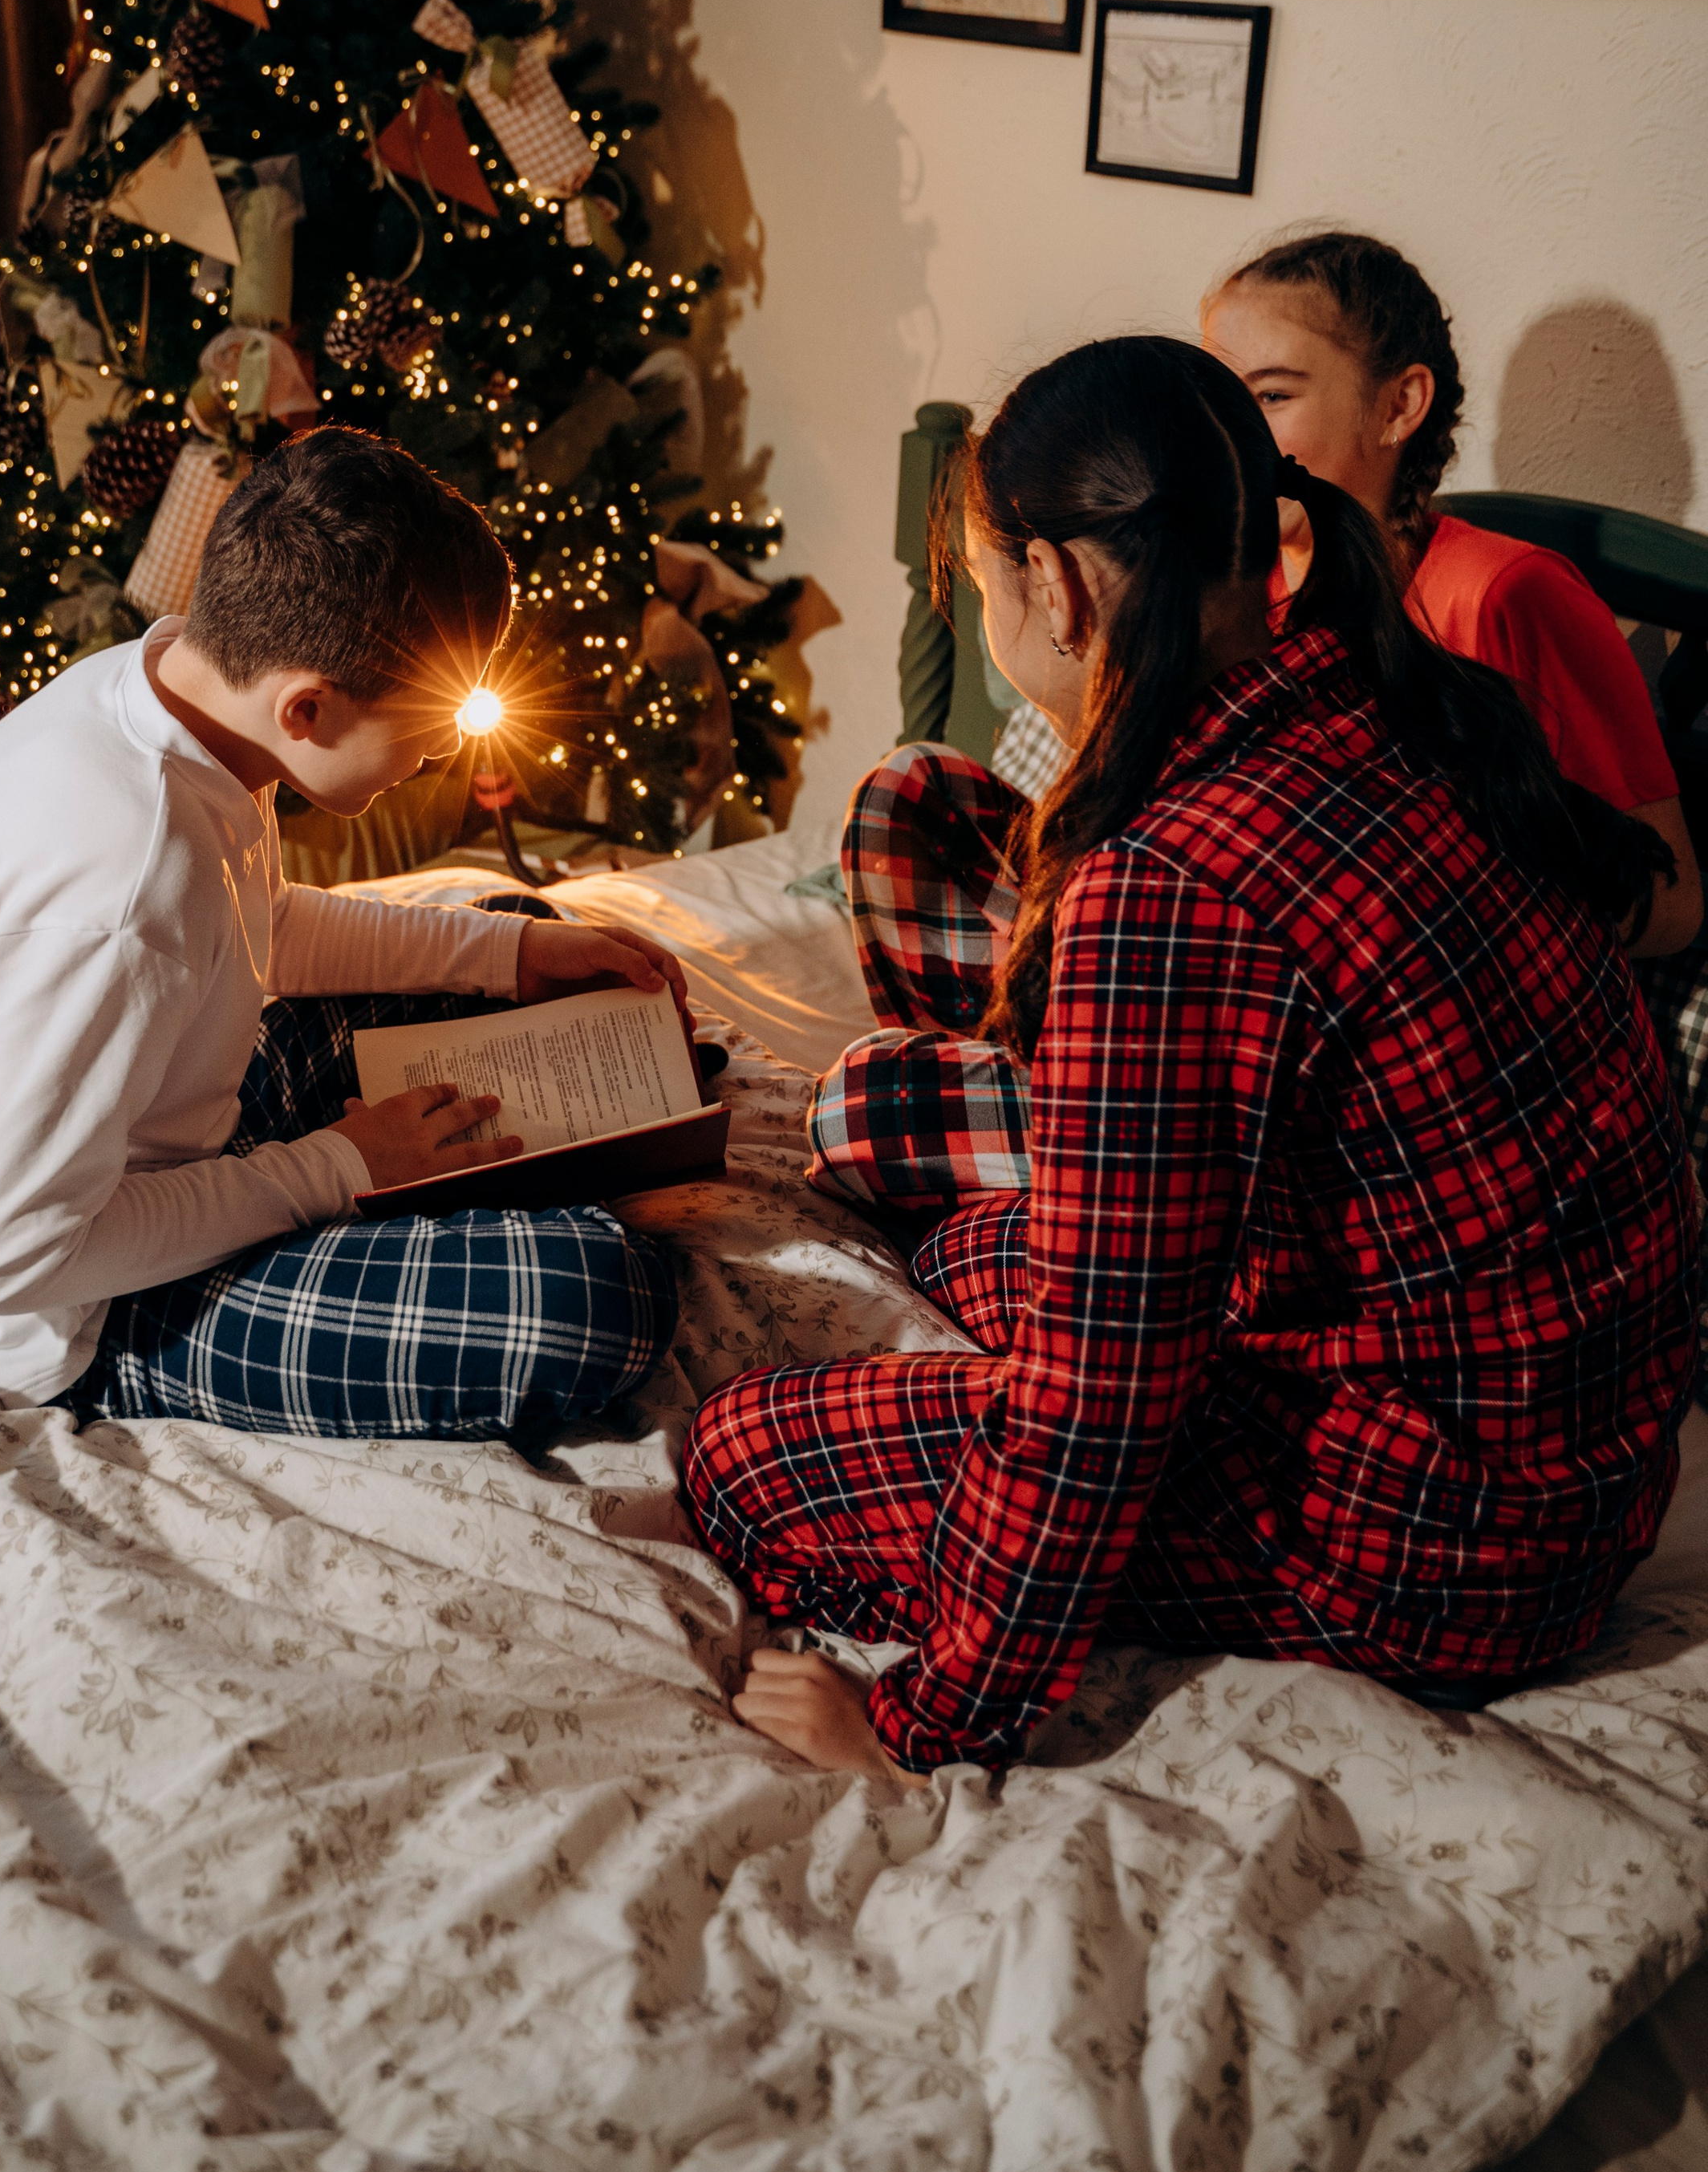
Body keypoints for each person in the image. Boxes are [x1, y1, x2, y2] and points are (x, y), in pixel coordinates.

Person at [684, 337, 1698, 1784]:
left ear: (1061, 584)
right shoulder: (1395, 699)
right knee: (983, 1247)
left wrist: (919, 1721)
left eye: (986, 592)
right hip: (1581, 1465)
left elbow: (1099, 1400)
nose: (995, 627)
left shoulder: (1167, 887)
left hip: (1452, 1542)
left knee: (746, 1456)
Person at [0, 426, 685, 1438]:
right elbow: (1, 1258)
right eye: (420, 739)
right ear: (308, 708)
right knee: (604, 1294)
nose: (430, 762)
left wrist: (506, 956)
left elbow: (256, 928)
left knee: (518, 925)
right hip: (72, 1307)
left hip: (134, 1150)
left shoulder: (167, 685)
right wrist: (336, 1165)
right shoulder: (124, 878)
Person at [1200, 229, 1701, 960]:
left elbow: (1675, 905)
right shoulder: (1236, 587)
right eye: (1218, 399)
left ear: (1400, 405)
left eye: (1273, 395)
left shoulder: (1503, 596)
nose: (1229, 434)